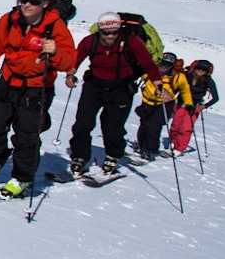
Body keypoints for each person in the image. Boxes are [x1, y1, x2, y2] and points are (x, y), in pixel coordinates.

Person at [0, 0, 76, 199]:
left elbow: (69, 63)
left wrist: (55, 52)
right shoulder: (9, 20)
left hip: (36, 88)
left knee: (27, 135)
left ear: (45, 3)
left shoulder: (55, 27)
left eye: (34, 0)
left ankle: (22, 177)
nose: (27, 4)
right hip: (8, 82)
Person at [64, 12, 162, 175]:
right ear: (99, 30)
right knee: (82, 124)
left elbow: (148, 63)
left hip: (121, 89)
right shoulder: (90, 41)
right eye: (106, 33)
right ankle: (79, 157)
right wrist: (70, 75)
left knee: (113, 127)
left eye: (114, 32)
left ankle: (112, 156)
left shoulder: (132, 41)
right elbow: (76, 58)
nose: (110, 36)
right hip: (93, 87)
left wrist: (157, 83)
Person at [134, 52, 193, 160]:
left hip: (165, 104)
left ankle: (150, 150)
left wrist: (188, 104)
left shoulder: (178, 77)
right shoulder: (150, 71)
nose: (164, 67)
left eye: (168, 65)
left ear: (172, 66)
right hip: (147, 102)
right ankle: (141, 145)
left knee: (154, 126)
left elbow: (185, 90)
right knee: (144, 124)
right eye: (162, 63)